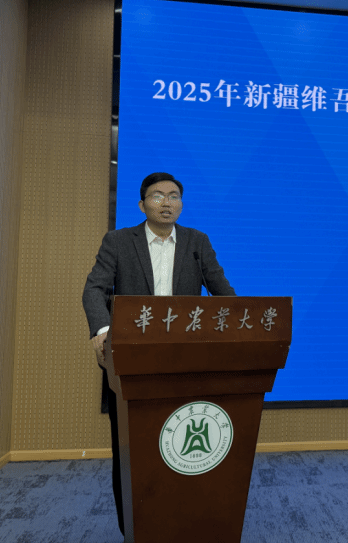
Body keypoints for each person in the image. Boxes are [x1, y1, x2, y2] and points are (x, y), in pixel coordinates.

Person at [82, 172, 235, 537]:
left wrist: (237, 326)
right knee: (132, 449)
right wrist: (102, 332)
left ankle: (182, 520)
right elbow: (94, 290)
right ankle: (133, 530)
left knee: (182, 445)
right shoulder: (119, 241)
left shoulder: (198, 242)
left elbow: (224, 294)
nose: (167, 202)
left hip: (186, 363)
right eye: (158, 196)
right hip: (131, 361)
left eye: (174, 196)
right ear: (142, 205)